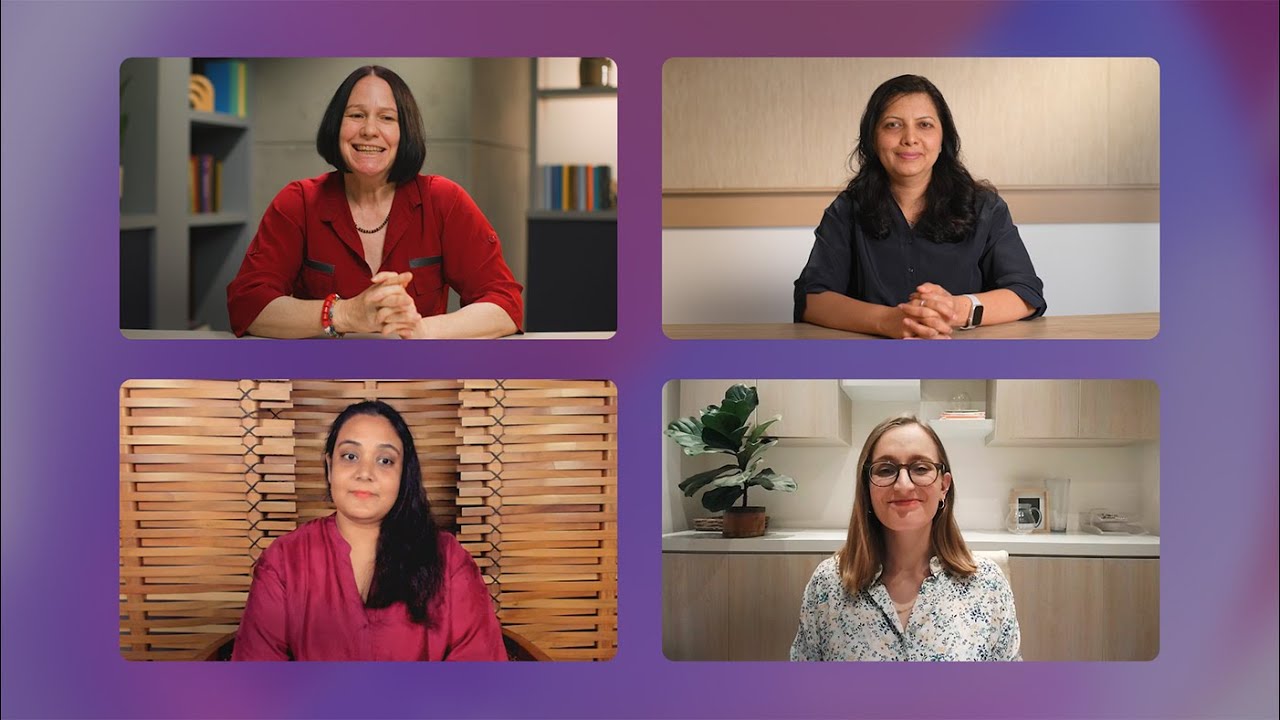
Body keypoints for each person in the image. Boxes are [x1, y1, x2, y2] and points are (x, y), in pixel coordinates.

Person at [226, 65, 523, 339]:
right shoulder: (298, 203)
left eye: (387, 117)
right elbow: (248, 305)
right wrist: (344, 313)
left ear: (404, 132)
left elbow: (505, 306)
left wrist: (420, 329)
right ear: (336, 126)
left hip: (419, 386)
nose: (369, 130)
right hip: (322, 388)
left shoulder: (444, 201)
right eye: (356, 115)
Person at [232, 400, 506, 660]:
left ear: (403, 474)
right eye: (350, 456)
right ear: (329, 467)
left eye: (385, 460)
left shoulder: (450, 563)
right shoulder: (283, 563)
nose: (365, 472)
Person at [793, 75, 1046, 339]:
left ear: (942, 138)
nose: (910, 138)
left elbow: (1025, 293)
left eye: (925, 125)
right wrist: (887, 321)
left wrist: (957, 309)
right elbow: (812, 299)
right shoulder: (847, 209)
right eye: (893, 125)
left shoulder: (986, 207)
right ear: (873, 138)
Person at [790, 415, 1021, 661]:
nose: (903, 485)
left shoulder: (988, 585)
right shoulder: (828, 585)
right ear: (867, 488)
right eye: (886, 470)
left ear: (944, 486)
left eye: (920, 468)